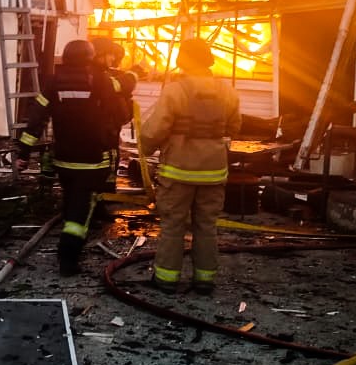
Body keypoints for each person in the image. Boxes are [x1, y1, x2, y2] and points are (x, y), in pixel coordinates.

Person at [15, 39, 129, 275]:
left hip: (64, 160)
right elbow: (121, 115)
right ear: (90, 58)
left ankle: (65, 249)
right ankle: (68, 259)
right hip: (92, 160)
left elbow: (36, 118)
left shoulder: (53, 81)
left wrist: (24, 151)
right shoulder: (101, 80)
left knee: (70, 202)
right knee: (80, 212)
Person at [139, 36, 242, 294]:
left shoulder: (176, 90)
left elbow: (154, 130)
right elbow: (235, 126)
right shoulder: (226, 91)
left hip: (178, 171)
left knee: (173, 225)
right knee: (206, 226)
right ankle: (204, 280)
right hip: (214, 172)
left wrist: (146, 148)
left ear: (185, 58)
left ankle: (166, 279)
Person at [89, 36, 138, 192]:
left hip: (97, 136)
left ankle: (99, 196)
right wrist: (132, 76)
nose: (113, 59)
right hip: (104, 136)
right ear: (99, 54)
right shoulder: (99, 77)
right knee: (104, 174)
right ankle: (102, 197)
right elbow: (115, 89)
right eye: (110, 54)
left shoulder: (90, 73)